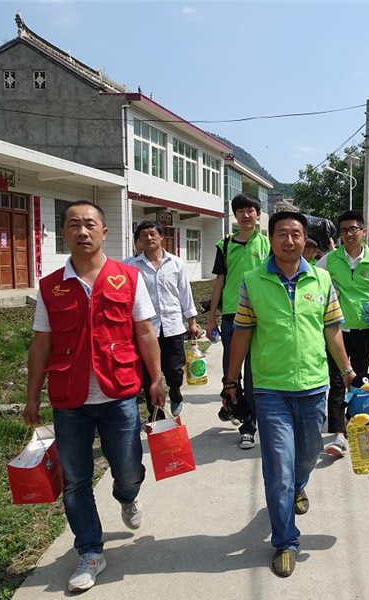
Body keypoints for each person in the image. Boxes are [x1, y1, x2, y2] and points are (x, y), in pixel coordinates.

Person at [25, 200, 165, 593]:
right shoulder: (51, 286)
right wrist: (32, 397)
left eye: (90, 224)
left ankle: (127, 495)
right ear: (64, 233)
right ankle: (89, 551)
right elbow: (41, 344)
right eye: (73, 225)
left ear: (105, 232)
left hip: (119, 392)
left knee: (128, 468)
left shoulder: (127, 278)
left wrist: (156, 379)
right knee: (76, 481)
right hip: (70, 400)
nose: (82, 231)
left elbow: (144, 333)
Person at [222, 210, 355, 578]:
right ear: (272, 238)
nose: (290, 240)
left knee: (308, 455)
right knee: (278, 468)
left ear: (305, 240)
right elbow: (243, 334)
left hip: (314, 386)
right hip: (270, 389)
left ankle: (299, 486)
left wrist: (345, 369)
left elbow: (332, 330)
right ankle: (285, 541)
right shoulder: (252, 280)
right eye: (282, 233)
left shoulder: (322, 279)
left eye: (296, 234)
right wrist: (231, 381)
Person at [315, 210, 369, 458]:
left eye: (353, 229)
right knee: (337, 381)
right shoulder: (329, 260)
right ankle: (338, 434)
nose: (349, 234)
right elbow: (314, 278)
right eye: (344, 230)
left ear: (363, 231)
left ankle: (353, 425)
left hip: (364, 331)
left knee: (358, 383)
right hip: (336, 330)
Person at [207, 193, 270, 450]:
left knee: (254, 375)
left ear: (258, 214)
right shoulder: (225, 245)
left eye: (250, 210)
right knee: (231, 375)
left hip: (259, 316)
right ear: (235, 216)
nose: (246, 214)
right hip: (232, 316)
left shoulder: (268, 245)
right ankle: (235, 407)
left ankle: (248, 427)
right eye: (241, 211)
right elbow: (219, 283)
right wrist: (211, 318)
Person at [124, 220, 199, 420]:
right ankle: (156, 415)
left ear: (161, 237)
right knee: (149, 374)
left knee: (174, 370)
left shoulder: (176, 263)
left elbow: (185, 293)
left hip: (173, 326)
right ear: (138, 241)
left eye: (152, 234)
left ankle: (175, 391)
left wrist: (191, 321)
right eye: (143, 235)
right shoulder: (129, 266)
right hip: (145, 329)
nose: (148, 238)